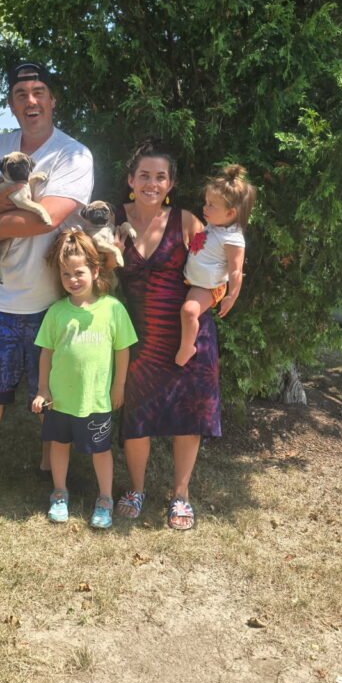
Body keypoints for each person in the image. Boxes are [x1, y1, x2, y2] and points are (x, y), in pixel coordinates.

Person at [0, 61, 94, 528]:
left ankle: (54, 478)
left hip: (53, 301)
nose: (31, 101)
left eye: (39, 91)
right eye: (21, 94)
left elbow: (47, 219)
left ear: (52, 100)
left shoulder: (73, 155)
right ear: (11, 104)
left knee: (53, 394)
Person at [114, 139, 222, 531]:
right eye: (144, 175)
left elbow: (216, 274)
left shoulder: (187, 222)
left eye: (160, 177)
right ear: (131, 180)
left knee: (187, 417)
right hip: (139, 339)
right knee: (136, 415)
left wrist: (203, 305)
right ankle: (136, 489)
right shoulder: (112, 219)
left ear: (171, 183)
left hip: (187, 339)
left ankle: (181, 494)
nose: (152, 184)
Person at [32, 230, 137, 529]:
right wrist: (42, 389)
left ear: (95, 270)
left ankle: (105, 499)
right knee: (58, 445)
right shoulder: (56, 312)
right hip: (59, 400)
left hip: (96, 400)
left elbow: (123, 350)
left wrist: (118, 386)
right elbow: (46, 353)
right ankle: (59, 493)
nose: (72, 279)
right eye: (66, 274)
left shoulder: (113, 309)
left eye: (79, 272)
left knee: (100, 450)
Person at [175, 164, 257, 366]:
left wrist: (232, 296)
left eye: (211, 205)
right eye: (206, 202)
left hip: (209, 287)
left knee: (189, 311)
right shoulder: (215, 226)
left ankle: (187, 347)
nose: (205, 208)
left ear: (230, 213)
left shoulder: (233, 239)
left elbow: (236, 271)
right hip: (194, 280)